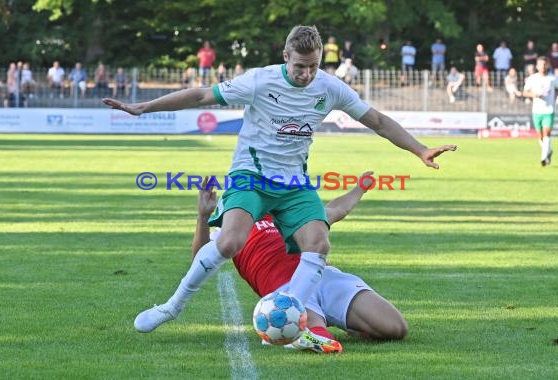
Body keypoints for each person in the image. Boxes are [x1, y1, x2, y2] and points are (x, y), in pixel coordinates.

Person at [102, 25, 456, 337]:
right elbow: (199, 95)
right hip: (251, 176)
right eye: (299, 66)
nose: (305, 74)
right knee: (228, 243)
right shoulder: (259, 80)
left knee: (318, 242)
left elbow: (378, 121)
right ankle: (171, 308)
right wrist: (143, 108)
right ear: (285, 56)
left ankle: (293, 307)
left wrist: (419, 149)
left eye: (313, 66)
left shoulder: (330, 88)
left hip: (293, 184)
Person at [191, 174, 407, 353]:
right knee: (317, 333)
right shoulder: (230, 231)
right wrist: (203, 217)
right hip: (288, 293)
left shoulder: (292, 214)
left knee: (396, 328)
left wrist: (360, 187)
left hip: (325, 279)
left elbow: (335, 211)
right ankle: (311, 331)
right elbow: (199, 260)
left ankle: (341, 323)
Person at [521, 56, 556, 166]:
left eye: (545, 64)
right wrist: (533, 95)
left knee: (547, 133)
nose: (543, 66)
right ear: (537, 66)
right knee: (540, 135)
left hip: (549, 110)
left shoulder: (553, 78)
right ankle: (548, 151)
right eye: (541, 64)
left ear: (548, 65)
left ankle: (543, 158)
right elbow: (524, 92)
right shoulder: (532, 78)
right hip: (537, 110)